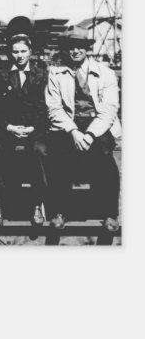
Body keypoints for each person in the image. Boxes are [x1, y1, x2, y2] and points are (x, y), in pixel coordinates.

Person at [45, 27, 121, 232]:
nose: (75, 51)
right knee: (58, 155)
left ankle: (109, 214)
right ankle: (59, 212)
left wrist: (89, 134)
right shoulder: (55, 73)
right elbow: (54, 108)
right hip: (68, 126)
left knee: (105, 155)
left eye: (80, 46)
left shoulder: (106, 73)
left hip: (97, 125)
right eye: (71, 47)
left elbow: (109, 109)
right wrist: (74, 132)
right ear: (65, 50)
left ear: (87, 49)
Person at [0, 33, 49, 227]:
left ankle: (37, 205)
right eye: (15, 52)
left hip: (34, 129)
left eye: (23, 51)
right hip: (9, 129)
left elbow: (44, 107)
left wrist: (32, 127)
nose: (20, 55)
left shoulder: (41, 75)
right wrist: (9, 127)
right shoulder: (1, 75)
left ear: (30, 52)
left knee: (38, 151)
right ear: (10, 53)